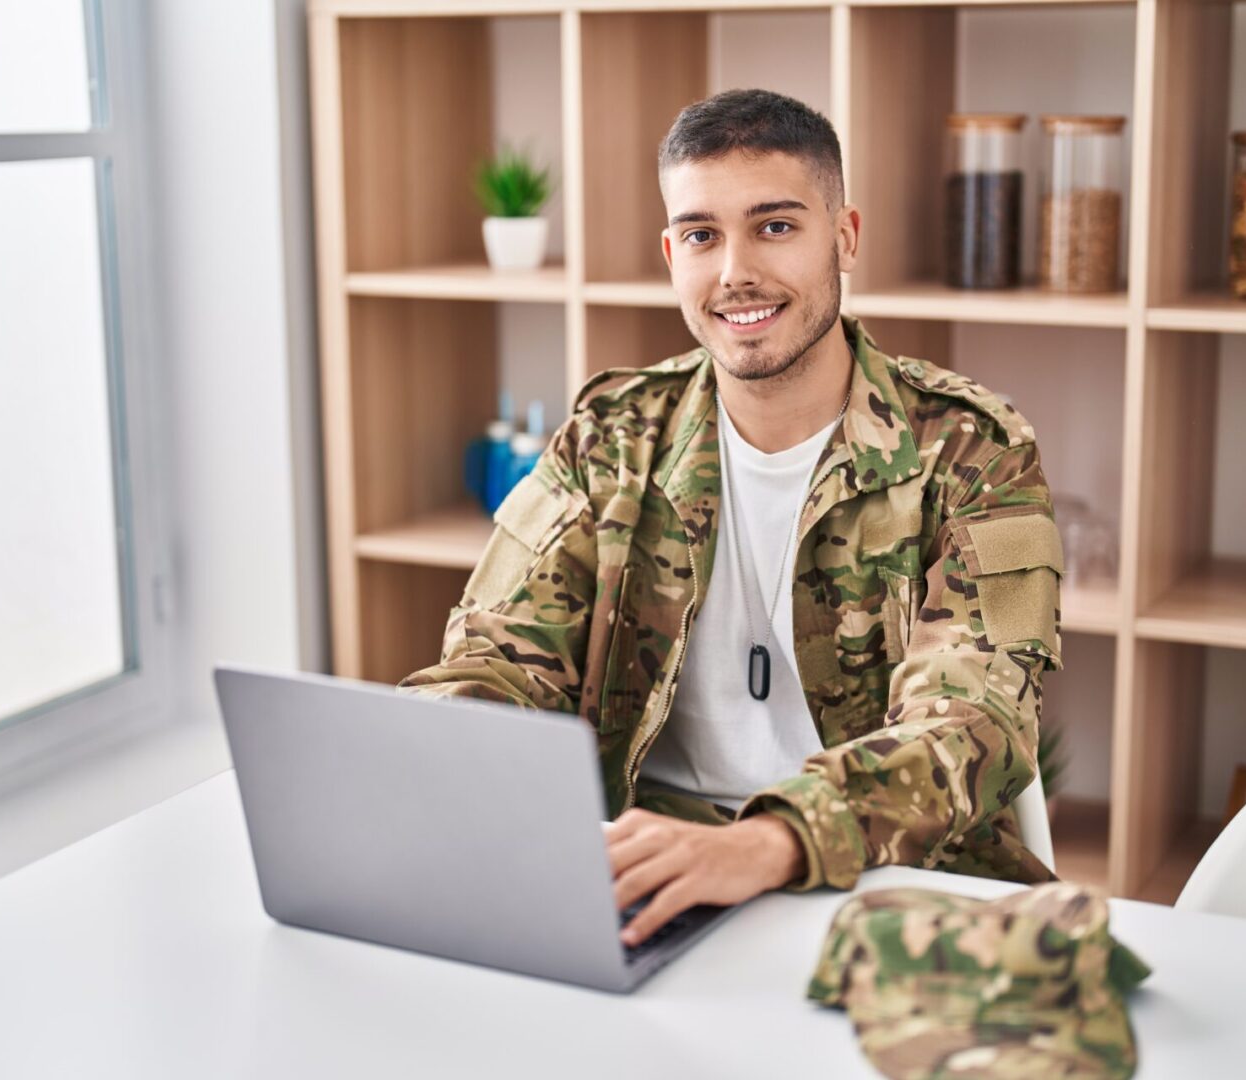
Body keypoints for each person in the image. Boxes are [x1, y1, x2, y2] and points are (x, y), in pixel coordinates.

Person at [397, 88, 1064, 949]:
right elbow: (496, 662)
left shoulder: (972, 449)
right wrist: (444, 757)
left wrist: (768, 841)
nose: (734, 272)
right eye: (703, 236)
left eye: (776, 227)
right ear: (671, 252)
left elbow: (974, 721)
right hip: (646, 868)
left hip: (886, 882)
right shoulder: (611, 438)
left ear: (845, 237)